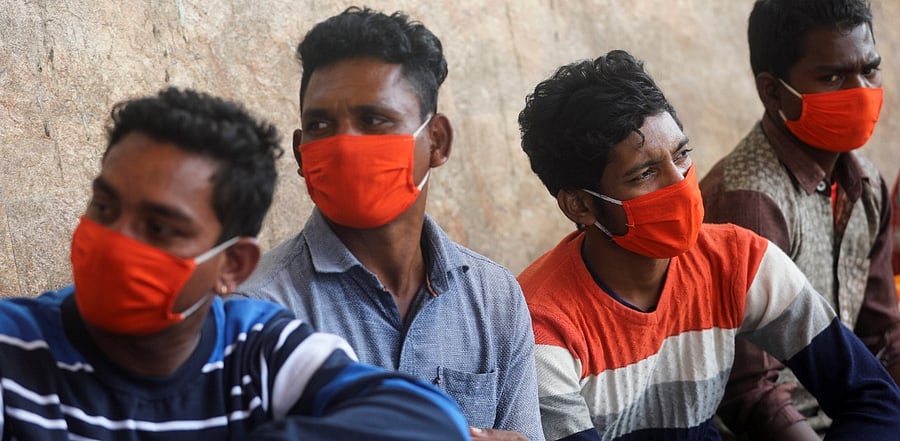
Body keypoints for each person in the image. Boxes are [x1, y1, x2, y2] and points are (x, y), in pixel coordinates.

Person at [0, 87, 470, 441]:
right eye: (104, 209)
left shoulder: (256, 349)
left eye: (159, 228)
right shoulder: (13, 350)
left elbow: (430, 418)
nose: (113, 240)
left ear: (232, 266)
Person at [515, 49, 900, 441]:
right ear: (580, 204)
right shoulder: (541, 326)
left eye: (682, 155)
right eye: (645, 173)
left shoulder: (737, 260)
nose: (679, 182)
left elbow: (873, 397)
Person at [235, 6, 543, 441]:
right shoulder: (256, 311)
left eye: (373, 120)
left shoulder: (494, 297)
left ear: (436, 141)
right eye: (320, 124)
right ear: (301, 153)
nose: (343, 145)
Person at [698, 0, 900, 438]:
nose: (861, 91)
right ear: (773, 92)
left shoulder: (866, 182)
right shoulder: (749, 200)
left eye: (870, 70)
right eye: (832, 77)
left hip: (856, 415)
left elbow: (882, 336)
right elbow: (749, 393)